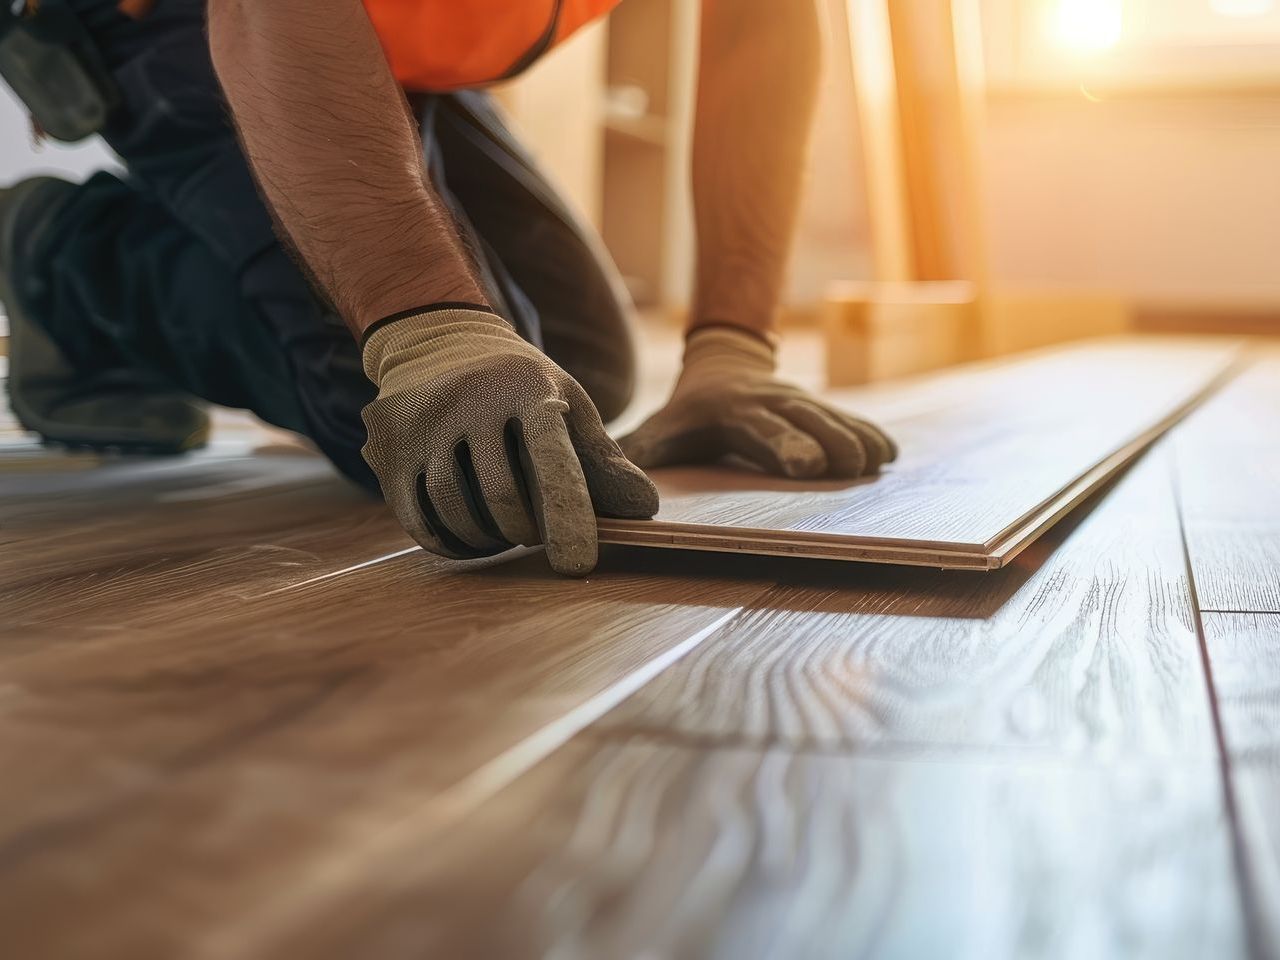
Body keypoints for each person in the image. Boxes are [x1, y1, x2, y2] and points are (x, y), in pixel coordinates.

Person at [0, 0, 896, 575]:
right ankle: (61, 258)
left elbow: (761, 29)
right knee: (395, 408)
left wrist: (733, 347)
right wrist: (425, 330)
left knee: (571, 374)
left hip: (390, 26)